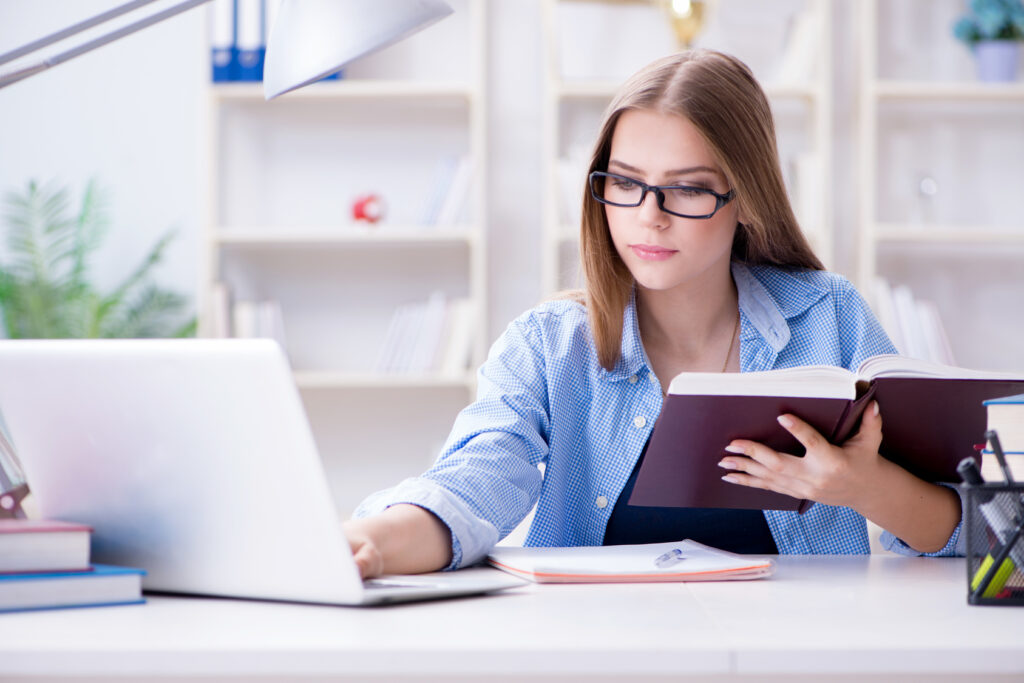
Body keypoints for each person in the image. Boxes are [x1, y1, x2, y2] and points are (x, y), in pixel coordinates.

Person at [344, 49, 963, 578]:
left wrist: (861, 486)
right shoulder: (548, 346)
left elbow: (975, 529)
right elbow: (470, 484)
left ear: (745, 199)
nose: (649, 215)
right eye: (625, 182)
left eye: (689, 188)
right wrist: (368, 544)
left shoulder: (830, 319)